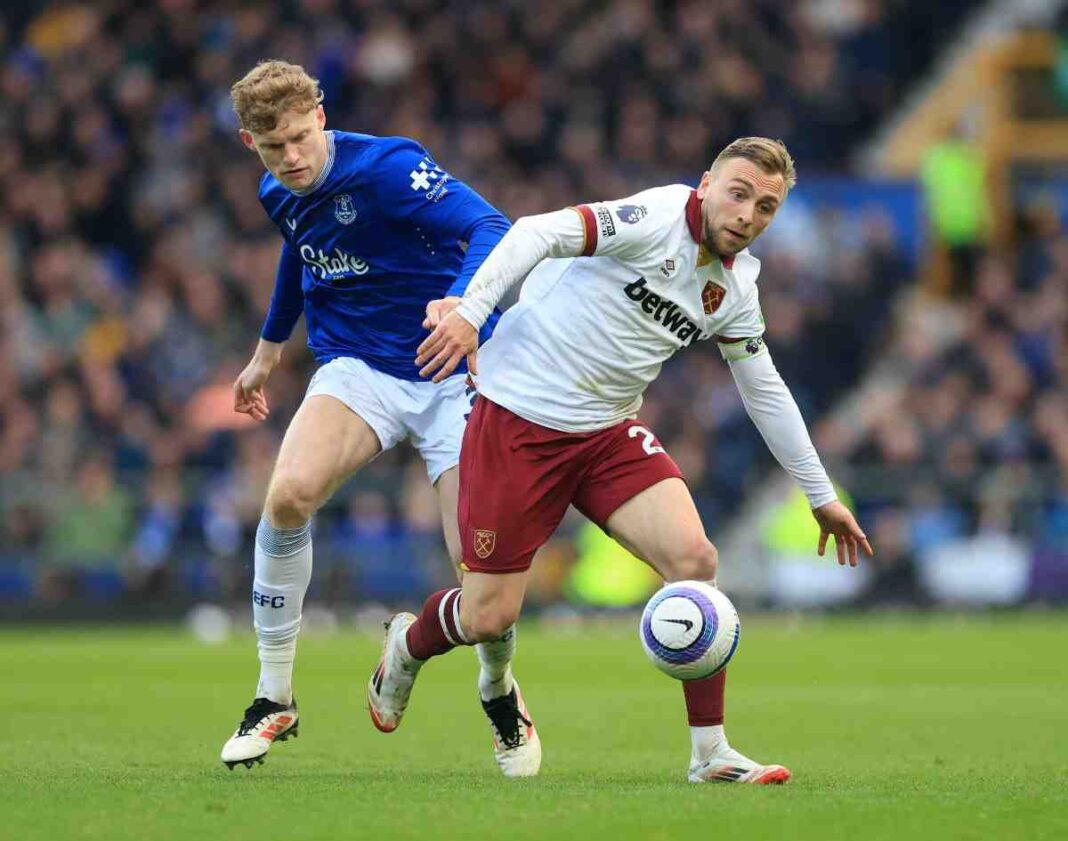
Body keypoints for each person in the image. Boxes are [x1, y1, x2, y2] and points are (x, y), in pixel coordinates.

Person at [367, 137, 874, 783]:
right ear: (707, 184)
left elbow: (764, 387)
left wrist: (820, 493)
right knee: (488, 613)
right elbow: (534, 231)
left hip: (606, 433)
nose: (748, 214)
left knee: (695, 560)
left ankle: (710, 751)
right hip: (517, 423)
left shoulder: (737, 287)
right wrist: (472, 313)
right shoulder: (655, 218)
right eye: (739, 193)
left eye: (766, 206)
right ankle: (407, 645)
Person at [219, 60, 541, 777]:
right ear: (251, 143)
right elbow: (299, 254)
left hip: (454, 370)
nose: (293, 159)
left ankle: (498, 690)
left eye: (302, 138)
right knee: (287, 494)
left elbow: (493, 225)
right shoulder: (278, 189)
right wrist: (268, 353)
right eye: (276, 148)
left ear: (321, 115)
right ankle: (274, 696)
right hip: (360, 366)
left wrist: (463, 306)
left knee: (483, 581)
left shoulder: (390, 167)